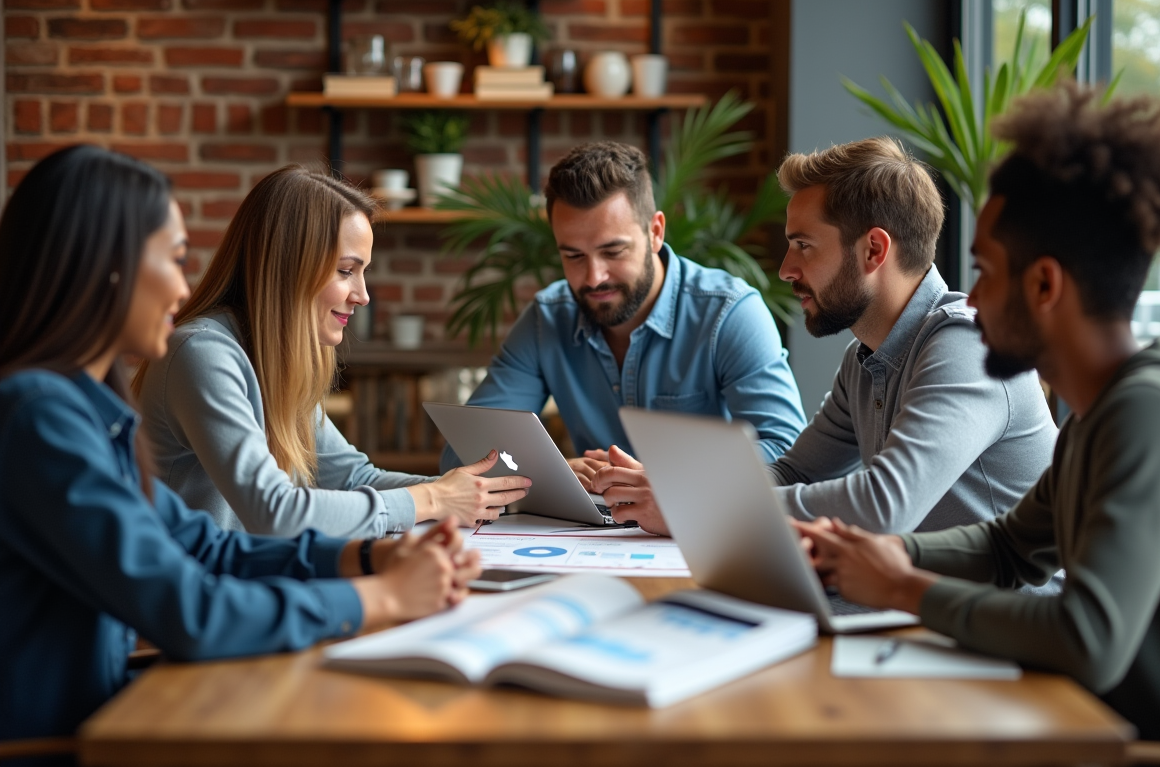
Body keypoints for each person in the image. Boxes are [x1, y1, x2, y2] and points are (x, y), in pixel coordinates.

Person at [0, 146, 481, 747]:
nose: (183, 286)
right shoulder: (40, 419)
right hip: (67, 744)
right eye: (174, 259)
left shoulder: (86, 412)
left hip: (112, 712)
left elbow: (207, 547)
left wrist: (364, 559)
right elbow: (193, 610)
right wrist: (381, 595)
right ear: (108, 268)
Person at [798, 83, 1160, 742]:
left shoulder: (1149, 412)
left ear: (1044, 285)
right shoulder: (1101, 414)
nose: (973, 299)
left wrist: (902, 587)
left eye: (985, 271)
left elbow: (1088, 637)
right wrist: (880, 552)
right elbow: (1010, 546)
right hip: (1088, 724)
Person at [593, 137, 1059, 543]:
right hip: (916, 601)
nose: (785, 269)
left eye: (804, 245)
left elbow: (883, 504)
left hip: (1002, 615)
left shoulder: (970, 346)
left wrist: (699, 506)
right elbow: (793, 472)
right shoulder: (865, 360)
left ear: (873, 250)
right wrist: (681, 489)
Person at [135, 165, 530, 539]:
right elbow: (274, 511)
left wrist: (481, 492)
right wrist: (432, 499)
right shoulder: (201, 353)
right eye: (345, 271)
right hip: (189, 586)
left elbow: (355, 480)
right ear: (289, 267)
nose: (363, 296)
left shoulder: (274, 359)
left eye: (363, 272)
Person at [440, 141, 806, 484]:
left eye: (613, 252)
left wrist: (664, 480)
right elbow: (462, 456)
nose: (594, 277)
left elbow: (787, 454)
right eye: (573, 256)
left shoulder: (729, 313)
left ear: (655, 232)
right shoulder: (546, 320)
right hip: (590, 528)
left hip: (700, 525)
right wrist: (552, 471)